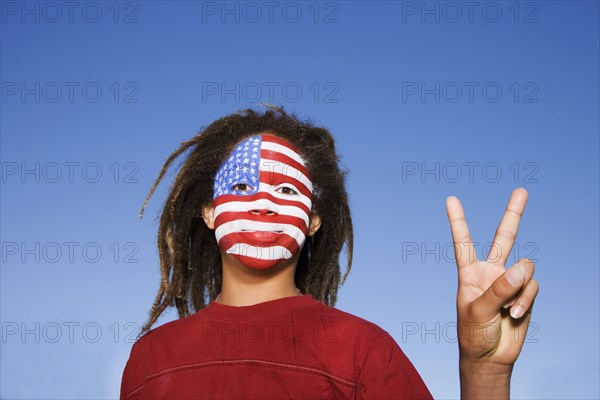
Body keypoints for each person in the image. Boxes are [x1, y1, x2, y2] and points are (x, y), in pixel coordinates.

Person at [120, 106, 539, 399]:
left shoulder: (362, 349)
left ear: (313, 220)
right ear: (210, 213)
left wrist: (484, 372)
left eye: (285, 188)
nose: (263, 202)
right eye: (244, 186)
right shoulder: (150, 358)